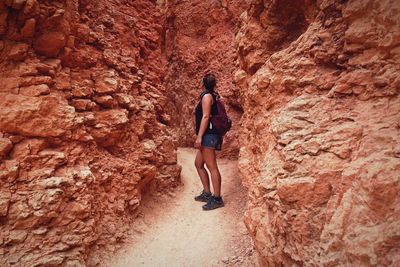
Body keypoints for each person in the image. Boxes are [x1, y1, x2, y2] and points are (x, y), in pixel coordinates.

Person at [194, 73, 224, 210]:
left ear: (202, 83)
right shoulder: (213, 95)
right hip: (209, 135)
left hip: (208, 135)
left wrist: (199, 136)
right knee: (198, 164)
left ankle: (217, 198)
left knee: (212, 167)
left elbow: (206, 117)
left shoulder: (207, 96)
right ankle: (207, 193)